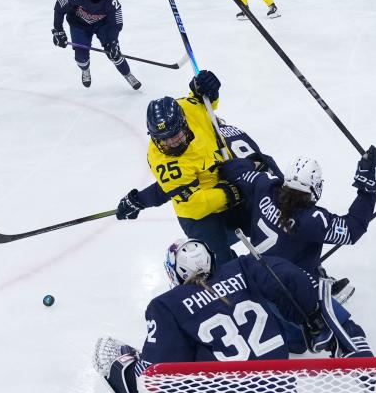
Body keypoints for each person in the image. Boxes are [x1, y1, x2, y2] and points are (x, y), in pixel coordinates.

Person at [75, 237, 373, 393]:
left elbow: (154, 381)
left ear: (173, 272)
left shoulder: (167, 305)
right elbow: (291, 277)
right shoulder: (245, 266)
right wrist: (312, 313)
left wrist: (119, 364)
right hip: (277, 387)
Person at [115, 69, 280, 266]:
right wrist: (234, 192)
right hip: (202, 213)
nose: (172, 143)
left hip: (226, 177)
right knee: (218, 266)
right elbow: (195, 204)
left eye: (175, 135)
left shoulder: (188, 109)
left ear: (183, 122)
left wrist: (207, 90)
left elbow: (207, 105)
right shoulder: (165, 163)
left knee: (275, 212)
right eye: (164, 139)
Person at [219, 148, 376, 302]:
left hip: (256, 273)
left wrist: (255, 163)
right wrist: (367, 188)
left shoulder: (264, 185)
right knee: (297, 258)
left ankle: (317, 277)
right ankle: (315, 288)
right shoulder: (312, 220)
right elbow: (351, 230)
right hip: (287, 289)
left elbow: (230, 168)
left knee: (293, 249)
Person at [51, 0, 141, 90]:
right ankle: (85, 70)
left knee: (114, 53)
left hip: (102, 26)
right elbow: (59, 7)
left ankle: (128, 75)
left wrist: (114, 41)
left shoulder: (111, 0)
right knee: (81, 57)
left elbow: (116, 24)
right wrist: (59, 30)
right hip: (79, 25)